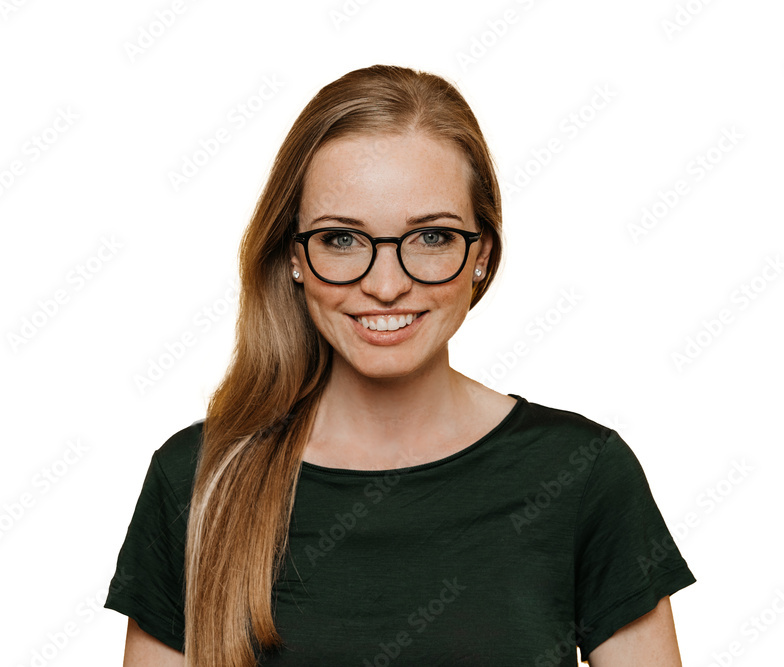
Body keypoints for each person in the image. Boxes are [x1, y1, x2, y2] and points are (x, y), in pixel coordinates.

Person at [103, 64, 696, 666]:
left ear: (481, 255)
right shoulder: (198, 482)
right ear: (295, 257)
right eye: (342, 239)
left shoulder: (583, 475)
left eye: (431, 238)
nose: (386, 285)